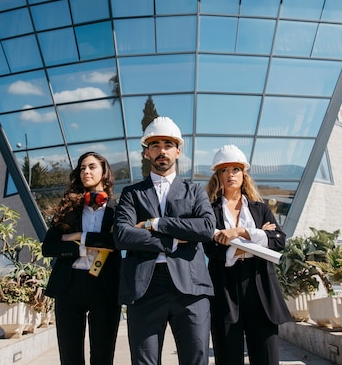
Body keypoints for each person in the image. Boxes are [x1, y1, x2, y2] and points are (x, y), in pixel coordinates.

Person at [113, 116, 216, 365]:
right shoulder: (131, 194)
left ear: (178, 151)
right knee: (144, 361)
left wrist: (155, 223)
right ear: (147, 152)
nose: (162, 151)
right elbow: (123, 235)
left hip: (191, 287)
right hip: (144, 288)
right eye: (155, 145)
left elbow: (206, 228)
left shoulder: (195, 191)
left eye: (168, 145)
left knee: (195, 359)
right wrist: (171, 241)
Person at [203, 145, 292, 365]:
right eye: (224, 170)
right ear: (218, 176)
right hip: (224, 286)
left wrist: (238, 233)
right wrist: (259, 237)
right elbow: (210, 248)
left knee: (267, 359)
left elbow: (279, 241)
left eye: (235, 169)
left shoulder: (260, 208)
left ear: (244, 174)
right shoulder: (209, 210)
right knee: (228, 358)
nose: (230, 174)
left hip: (260, 283)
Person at [42, 151, 121, 365]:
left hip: (104, 287)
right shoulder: (69, 208)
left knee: (103, 357)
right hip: (69, 285)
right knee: (70, 357)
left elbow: (118, 241)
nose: (86, 171)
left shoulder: (118, 211)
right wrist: (81, 249)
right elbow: (48, 247)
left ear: (104, 172)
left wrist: (79, 237)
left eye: (92, 167)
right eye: (82, 168)